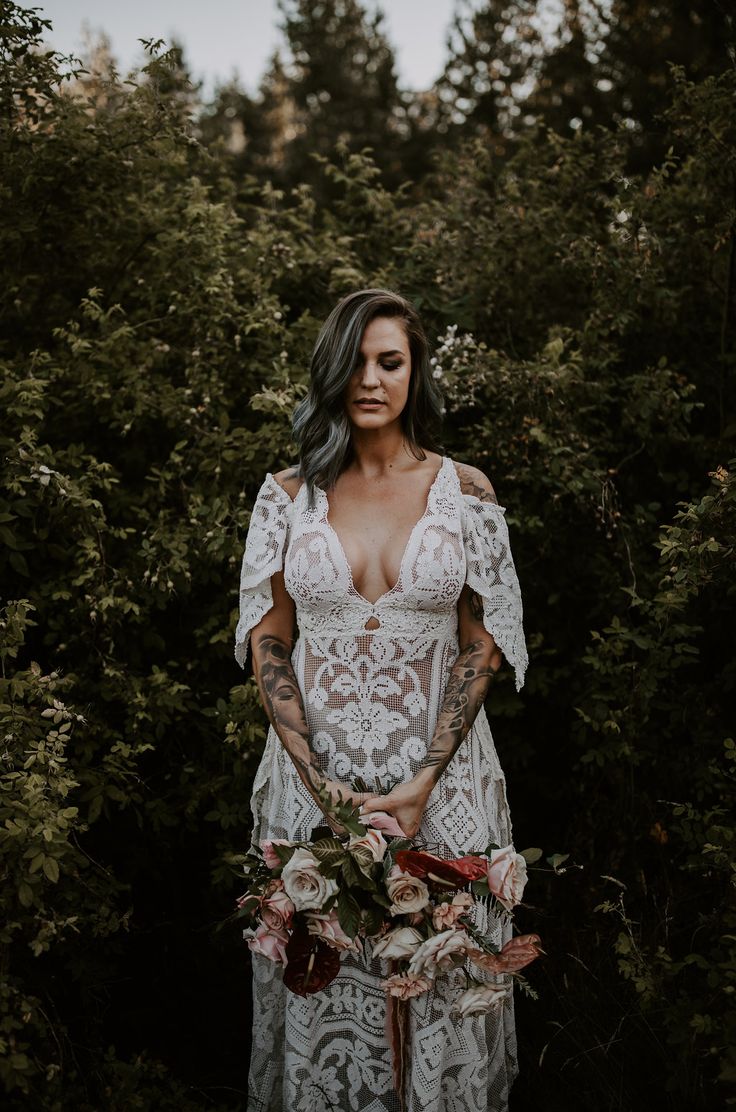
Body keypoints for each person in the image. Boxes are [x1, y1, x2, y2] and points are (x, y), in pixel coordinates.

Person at [235, 288, 530, 1112]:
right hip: (315, 792)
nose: (372, 378)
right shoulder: (287, 495)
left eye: (390, 362)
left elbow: (480, 644)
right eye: (357, 361)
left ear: (414, 373)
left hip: (441, 790)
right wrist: (320, 785)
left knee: (441, 992)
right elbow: (269, 646)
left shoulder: (463, 491)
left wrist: (428, 777)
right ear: (332, 371)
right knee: (323, 985)